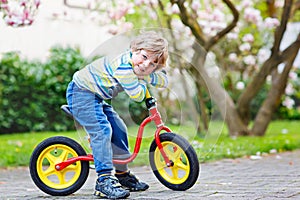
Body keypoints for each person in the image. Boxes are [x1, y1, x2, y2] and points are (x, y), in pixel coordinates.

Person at [66, 31, 168, 199]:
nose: (145, 65)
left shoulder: (138, 68)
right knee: (102, 131)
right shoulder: (123, 68)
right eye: (143, 57)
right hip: (81, 93)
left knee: (119, 128)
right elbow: (137, 94)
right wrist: (146, 78)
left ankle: (122, 175)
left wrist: (147, 77)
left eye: (152, 64)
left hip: (95, 97)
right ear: (134, 49)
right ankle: (104, 180)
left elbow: (165, 81)